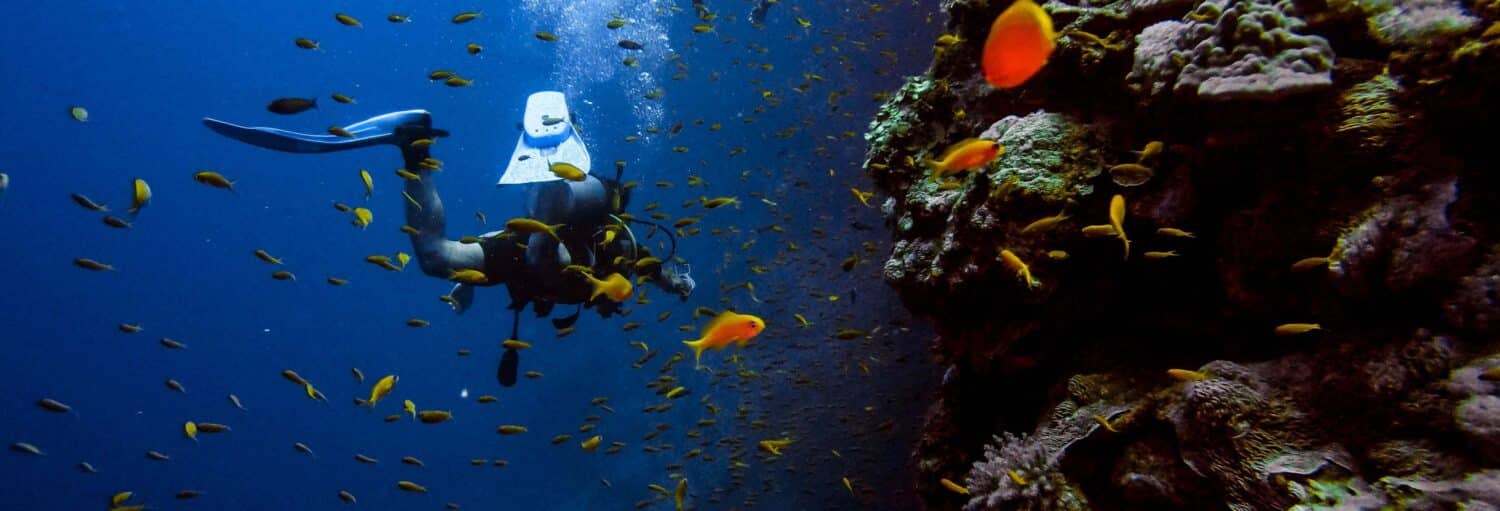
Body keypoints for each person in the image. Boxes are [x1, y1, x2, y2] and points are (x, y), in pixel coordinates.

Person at [203, 92, 695, 386]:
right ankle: (551, 177)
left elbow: (514, 238)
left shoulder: (607, 255)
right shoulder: (620, 253)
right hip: (552, 257)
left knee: (435, 258)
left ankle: (414, 146)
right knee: (543, 256)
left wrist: (468, 276)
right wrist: (673, 283)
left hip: (525, 253)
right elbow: (644, 263)